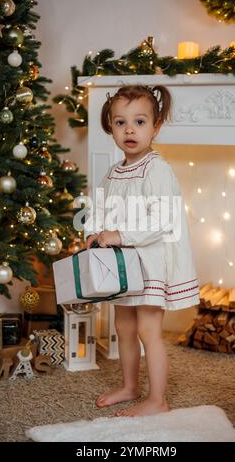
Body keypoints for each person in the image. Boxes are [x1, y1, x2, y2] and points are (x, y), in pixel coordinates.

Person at [84, 84, 200, 417]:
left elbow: (162, 219)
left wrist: (118, 233)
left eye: (139, 121)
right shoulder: (113, 171)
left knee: (149, 330)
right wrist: (94, 231)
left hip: (149, 264)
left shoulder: (156, 169)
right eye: (120, 123)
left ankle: (157, 400)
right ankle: (130, 385)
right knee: (124, 328)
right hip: (123, 268)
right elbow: (101, 207)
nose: (129, 129)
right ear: (111, 128)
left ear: (156, 126)